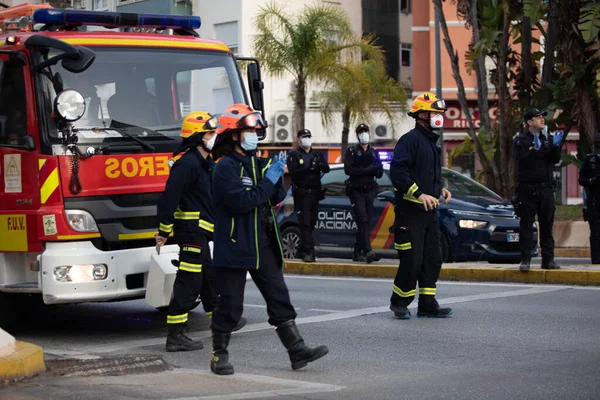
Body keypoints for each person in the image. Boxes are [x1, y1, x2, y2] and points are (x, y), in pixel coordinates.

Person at [209, 104, 328, 375]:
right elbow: (243, 202)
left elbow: (272, 199)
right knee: (230, 304)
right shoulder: (225, 168)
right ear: (234, 135)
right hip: (235, 242)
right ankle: (219, 355)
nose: (253, 134)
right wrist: (267, 182)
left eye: (255, 130)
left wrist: (280, 179)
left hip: (263, 242)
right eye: (247, 130)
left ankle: (297, 350)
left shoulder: (258, 162)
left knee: (279, 296)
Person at [155, 111, 245, 352]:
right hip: (191, 232)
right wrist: (164, 230)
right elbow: (168, 198)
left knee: (208, 274)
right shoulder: (187, 163)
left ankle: (220, 320)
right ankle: (175, 336)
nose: (214, 136)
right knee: (189, 281)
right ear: (197, 136)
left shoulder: (204, 162)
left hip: (202, 231)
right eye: (209, 132)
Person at [388, 92, 453, 319]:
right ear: (422, 115)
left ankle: (427, 304)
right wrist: (419, 194)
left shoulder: (431, 143)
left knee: (433, 258)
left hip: (430, 213)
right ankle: (399, 302)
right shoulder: (409, 140)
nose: (439, 118)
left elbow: (428, 174)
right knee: (412, 261)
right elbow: (398, 171)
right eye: (435, 113)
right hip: (410, 213)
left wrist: (439, 189)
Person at [513, 108, 564, 272]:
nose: (542, 119)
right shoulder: (520, 140)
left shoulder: (547, 140)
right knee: (526, 225)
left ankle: (548, 260)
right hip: (528, 189)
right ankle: (525, 260)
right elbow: (520, 160)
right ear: (529, 122)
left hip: (546, 188)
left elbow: (554, 160)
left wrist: (556, 147)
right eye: (538, 117)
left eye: (543, 117)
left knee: (547, 225)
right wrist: (533, 149)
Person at [287, 129, 330, 262]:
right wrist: (309, 168)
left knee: (311, 223)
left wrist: (318, 165)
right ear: (298, 139)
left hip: (314, 194)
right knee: (305, 223)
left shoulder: (317, 154)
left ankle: (301, 249)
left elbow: (326, 168)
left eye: (308, 136)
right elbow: (293, 173)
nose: (306, 139)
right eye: (304, 137)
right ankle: (308, 252)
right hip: (302, 194)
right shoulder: (294, 155)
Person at [343, 124, 383, 263]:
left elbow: (379, 171)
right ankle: (368, 251)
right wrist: (368, 170)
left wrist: (370, 169)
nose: (363, 134)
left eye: (365, 131)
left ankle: (357, 251)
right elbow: (349, 170)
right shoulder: (352, 151)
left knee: (366, 222)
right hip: (356, 191)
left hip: (370, 191)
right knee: (363, 220)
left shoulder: (374, 152)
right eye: (361, 132)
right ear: (357, 135)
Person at [578, 135, 600, 264]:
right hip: (594, 201)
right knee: (595, 233)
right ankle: (596, 260)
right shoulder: (590, 160)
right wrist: (591, 181)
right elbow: (581, 179)